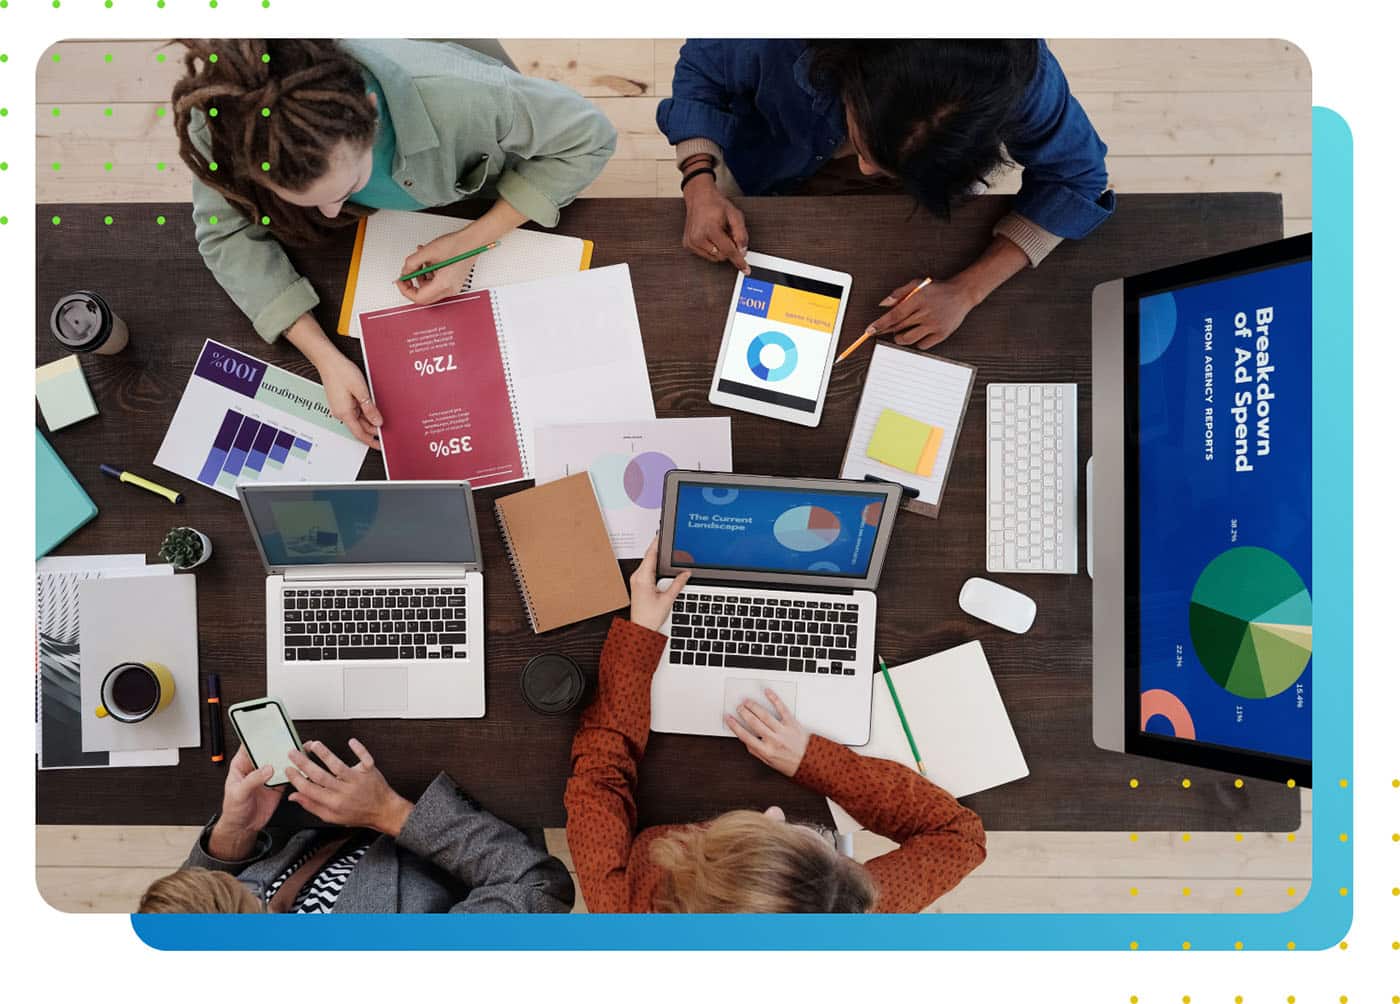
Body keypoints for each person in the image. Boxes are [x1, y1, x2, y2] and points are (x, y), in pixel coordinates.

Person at [172, 38, 617, 447]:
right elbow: (225, 233)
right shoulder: (225, 126)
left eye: (348, 190)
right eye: (305, 202)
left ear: (372, 111)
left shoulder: (473, 98)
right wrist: (323, 356)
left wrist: (473, 240)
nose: (332, 215)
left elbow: (591, 137)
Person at [564, 538, 986, 912]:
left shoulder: (622, 910)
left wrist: (639, 635)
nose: (776, 811)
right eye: (818, 848)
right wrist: (813, 760)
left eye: (760, 836)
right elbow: (960, 836)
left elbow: (598, 778)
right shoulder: (842, 914)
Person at [656, 39, 1113, 349]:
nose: (865, 170)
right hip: (768, 156)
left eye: (889, 163)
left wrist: (968, 290)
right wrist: (698, 182)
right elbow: (701, 71)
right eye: (865, 143)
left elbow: (1077, 179)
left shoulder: (1019, 77)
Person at [138, 739, 574, 914]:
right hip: (465, 806)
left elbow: (196, 896)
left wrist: (234, 833)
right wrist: (389, 812)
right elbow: (540, 886)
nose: (256, 889)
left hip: (331, 803)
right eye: (252, 901)